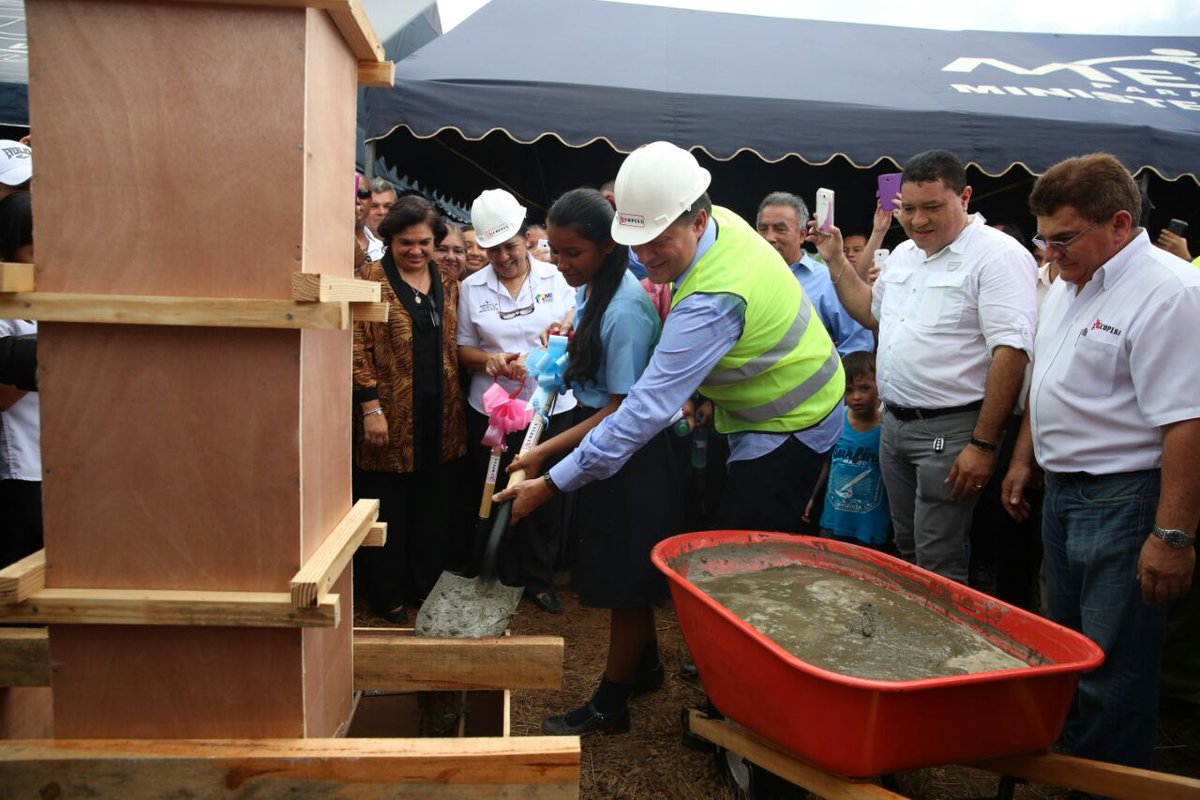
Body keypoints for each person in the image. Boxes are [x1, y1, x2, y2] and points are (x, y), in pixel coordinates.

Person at [496, 141, 845, 538]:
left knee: (744, 551)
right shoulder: (715, 221)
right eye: (636, 239)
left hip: (794, 420)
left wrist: (553, 482)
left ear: (697, 222)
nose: (644, 255)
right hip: (758, 410)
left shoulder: (712, 301)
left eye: (657, 240)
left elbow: (644, 409)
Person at [1001, 152, 1200, 769]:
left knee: (1113, 660)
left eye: (1063, 239)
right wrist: (1024, 458)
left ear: (1119, 223)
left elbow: (1188, 421)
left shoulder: (1171, 292)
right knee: (1068, 642)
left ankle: (1105, 779)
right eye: (1044, 239)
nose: (1050, 254)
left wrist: (1172, 535)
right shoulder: (1072, 281)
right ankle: (1078, 759)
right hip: (1065, 490)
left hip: (1126, 495)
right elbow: (1050, 379)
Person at [813, 149, 1037, 584]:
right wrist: (836, 260)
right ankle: (918, 621)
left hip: (951, 430)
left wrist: (983, 444)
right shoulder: (904, 254)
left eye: (932, 207)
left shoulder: (998, 256)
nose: (917, 221)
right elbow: (870, 312)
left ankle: (942, 627)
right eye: (909, 208)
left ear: (965, 197)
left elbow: (1011, 352)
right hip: (895, 425)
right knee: (909, 546)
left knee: (938, 558)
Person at [505, 188, 680, 734]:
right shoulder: (594, 290)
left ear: (608, 246)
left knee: (625, 583)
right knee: (623, 571)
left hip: (632, 454)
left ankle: (611, 704)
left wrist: (543, 452)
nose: (560, 262)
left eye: (572, 252)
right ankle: (645, 667)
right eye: (555, 251)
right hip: (609, 443)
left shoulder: (624, 309)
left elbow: (622, 410)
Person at [458, 189, 577, 613]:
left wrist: (562, 335)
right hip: (493, 409)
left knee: (543, 490)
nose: (503, 257)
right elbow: (462, 349)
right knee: (493, 488)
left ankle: (538, 577)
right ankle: (499, 572)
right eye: (493, 250)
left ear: (526, 238)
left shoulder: (557, 279)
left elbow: (575, 328)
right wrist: (490, 360)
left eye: (510, 247)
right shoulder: (471, 288)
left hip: (550, 407)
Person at [353, 195, 469, 625]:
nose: (416, 251)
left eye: (424, 242)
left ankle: (425, 587)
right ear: (389, 239)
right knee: (388, 505)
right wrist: (370, 407)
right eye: (406, 242)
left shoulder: (447, 281)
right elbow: (356, 346)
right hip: (389, 415)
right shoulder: (369, 278)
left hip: (441, 415)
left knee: (432, 506)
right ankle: (387, 596)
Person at [756, 192, 874, 356]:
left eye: (780, 229)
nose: (769, 237)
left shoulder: (829, 280)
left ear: (802, 235)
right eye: (763, 229)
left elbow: (858, 346)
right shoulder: (744, 277)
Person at [806, 351, 891, 551]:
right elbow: (826, 462)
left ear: (879, 385)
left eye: (864, 388)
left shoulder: (888, 428)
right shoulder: (837, 421)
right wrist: (811, 496)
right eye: (849, 390)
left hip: (871, 526)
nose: (856, 397)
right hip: (834, 521)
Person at [0, 191, 40, 568]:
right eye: (33, 249)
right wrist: (52, 351)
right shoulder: (4, 307)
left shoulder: (50, 299)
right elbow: (3, 395)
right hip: (20, 469)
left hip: (61, 463)